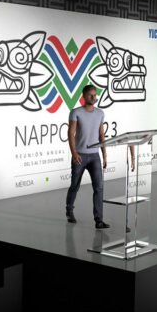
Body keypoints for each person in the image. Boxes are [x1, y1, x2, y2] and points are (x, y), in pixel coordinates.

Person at [65, 85, 134, 228]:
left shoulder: (100, 113)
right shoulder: (76, 112)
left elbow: (102, 134)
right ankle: (69, 209)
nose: (93, 97)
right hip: (80, 155)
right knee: (75, 185)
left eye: (94, 95)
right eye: (90, 95)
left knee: (99, 188)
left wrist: (105, 155)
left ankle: (99, 220)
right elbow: (70, 134)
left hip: (95, 155)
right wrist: (74, 153)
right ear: (84, 96)